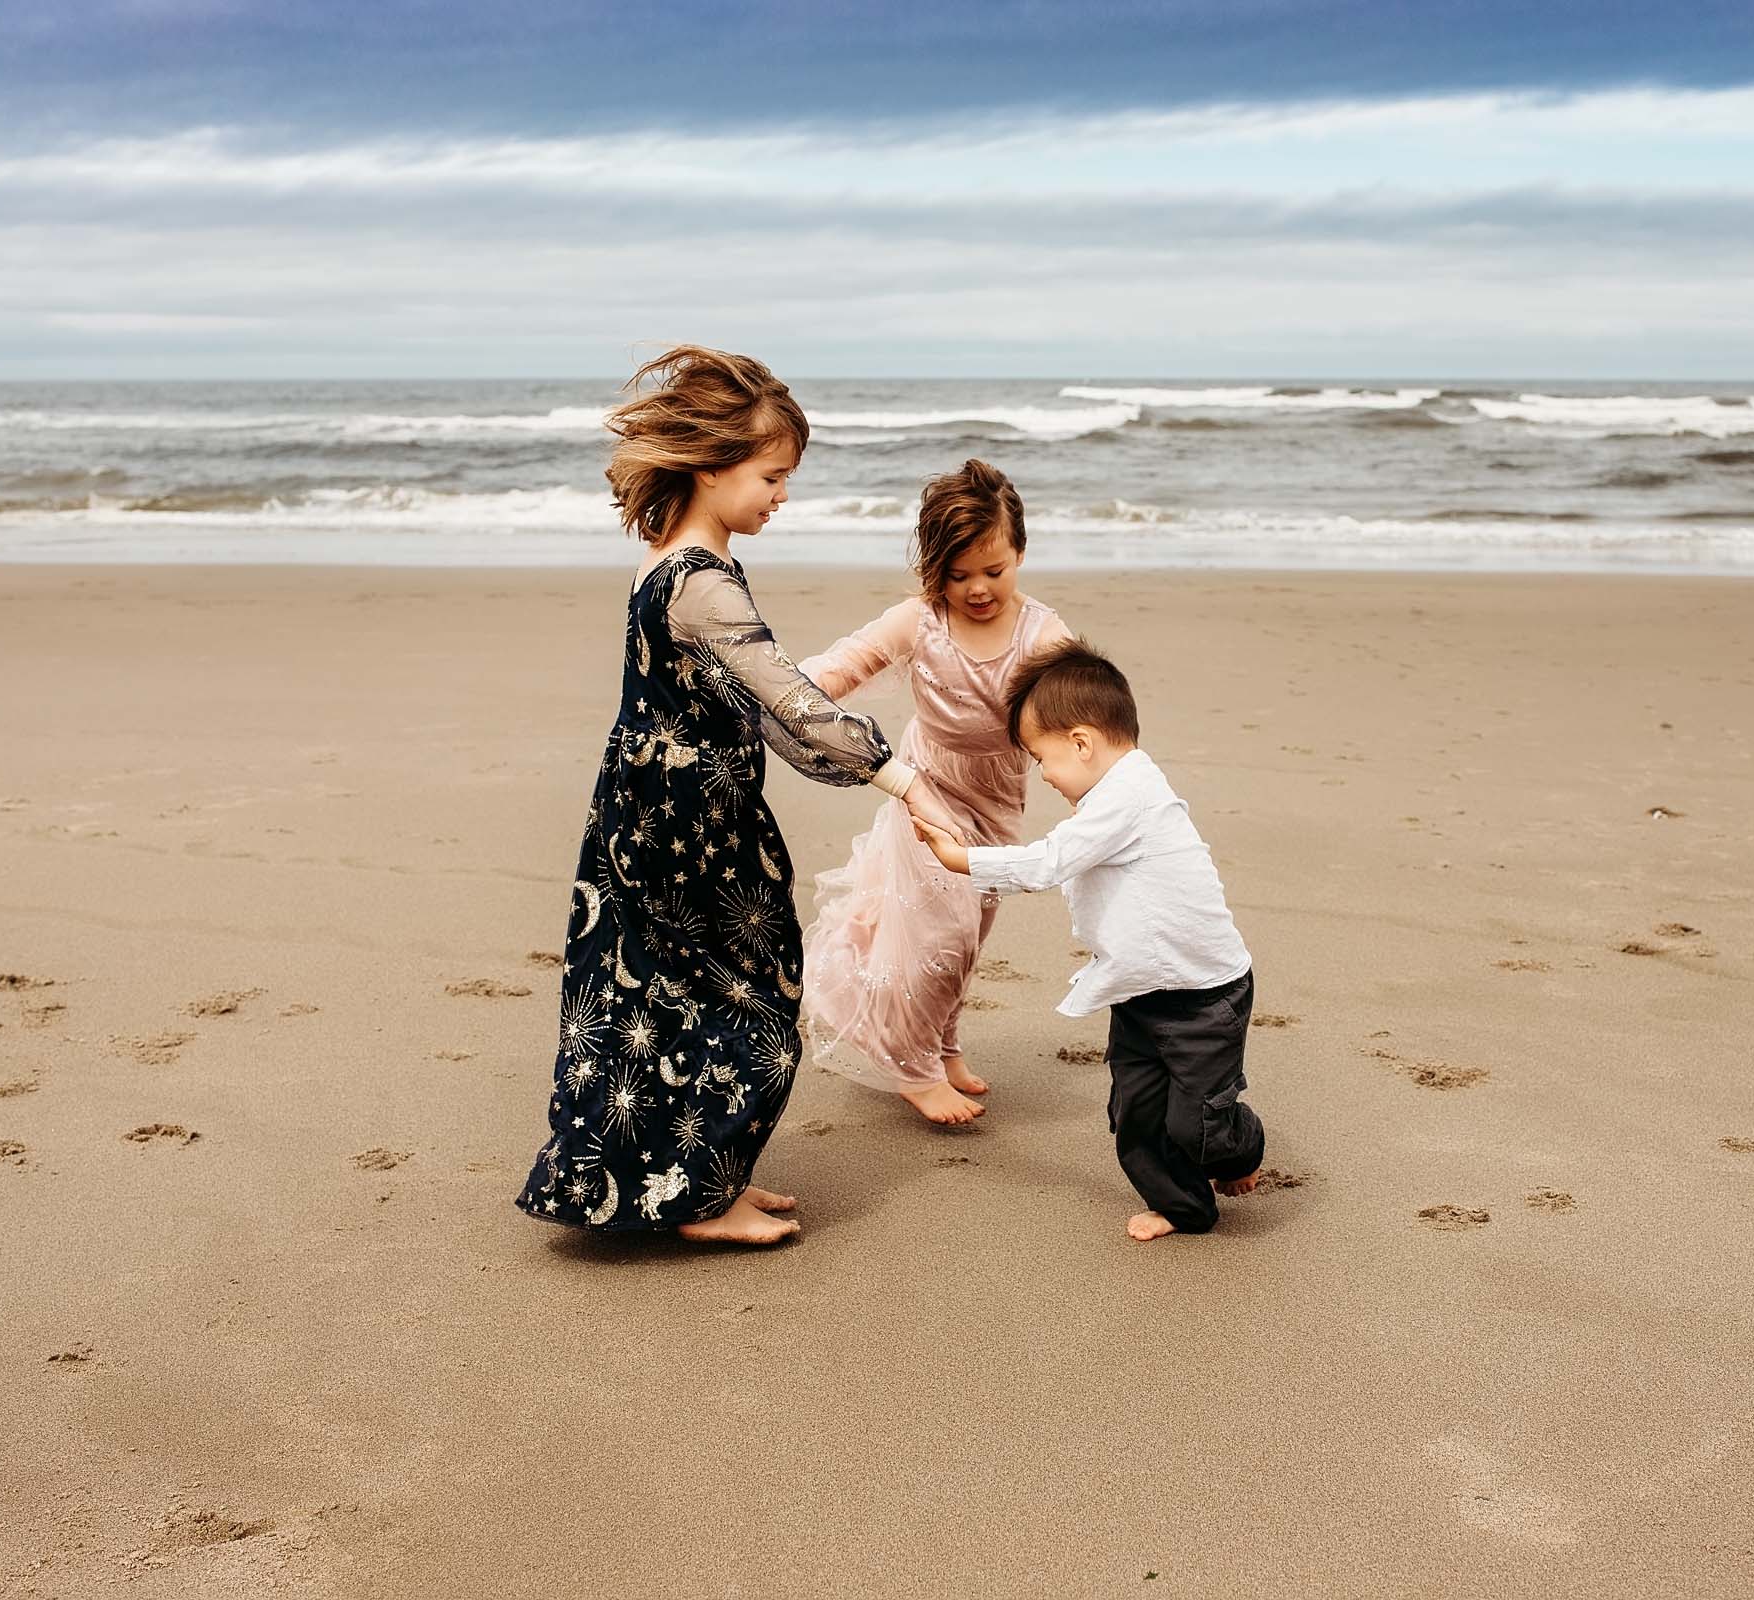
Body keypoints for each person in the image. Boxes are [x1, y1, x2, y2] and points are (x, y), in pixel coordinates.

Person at [516, 345, 958, 1247]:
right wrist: (905, 780)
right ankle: (700, 1199)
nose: (782, 495)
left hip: (655, 810)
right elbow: (790, 698)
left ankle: (697, 1183)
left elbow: (757, 713)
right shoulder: (703, 583)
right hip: (684, 826)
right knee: (746, 993)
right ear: (712, 466)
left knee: (659, 997)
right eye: (772, 475)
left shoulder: (663, 559)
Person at [913, 641, 1265, 1240]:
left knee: (1199, 1126)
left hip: (1204, 994)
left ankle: (1239, 1150)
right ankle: (1185, 1209)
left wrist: (961, 859)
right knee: (1136, 1116)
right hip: (1138, 990)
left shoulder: (1131, 794)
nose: (1044, 775)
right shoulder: (1106, 798)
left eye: (1041, 758)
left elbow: (1052, 862)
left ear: (1081, 742)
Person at [798, 459, 1074, 1124]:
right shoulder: (917, 622)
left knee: (969, 931)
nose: (978, 588)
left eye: (994, 570)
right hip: (927, 789)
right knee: (936, 933)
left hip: (998, 798)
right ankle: (913, 1068)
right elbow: (843, 665)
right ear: (933, 569)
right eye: (958, 575)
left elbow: (1076, 725)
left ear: (1021, 554)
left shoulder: (1044, 636)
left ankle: (944, 1044)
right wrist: (792, 691)